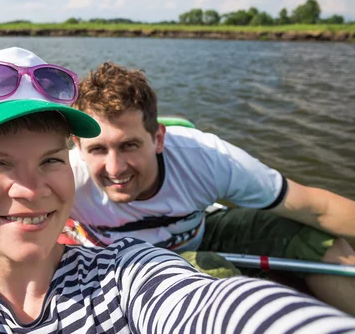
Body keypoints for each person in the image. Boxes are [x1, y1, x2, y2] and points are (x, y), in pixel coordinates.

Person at [0, 47, 355, 333]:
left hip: (197, 233)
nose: (31, 188)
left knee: (319, 242)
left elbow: (208, 305)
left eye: (49, 160)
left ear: (160, 139)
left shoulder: (134, 265)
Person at [68, 61, 355, 315]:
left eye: (129, 145)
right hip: (119, 267)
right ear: (78, 147)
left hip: (201, 234)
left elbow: (317, 208)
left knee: (308, 236)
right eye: (97, 150)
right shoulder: (63, 177)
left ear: (158, 138)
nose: (115, 168)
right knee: (208, 271)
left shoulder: (205, 156)